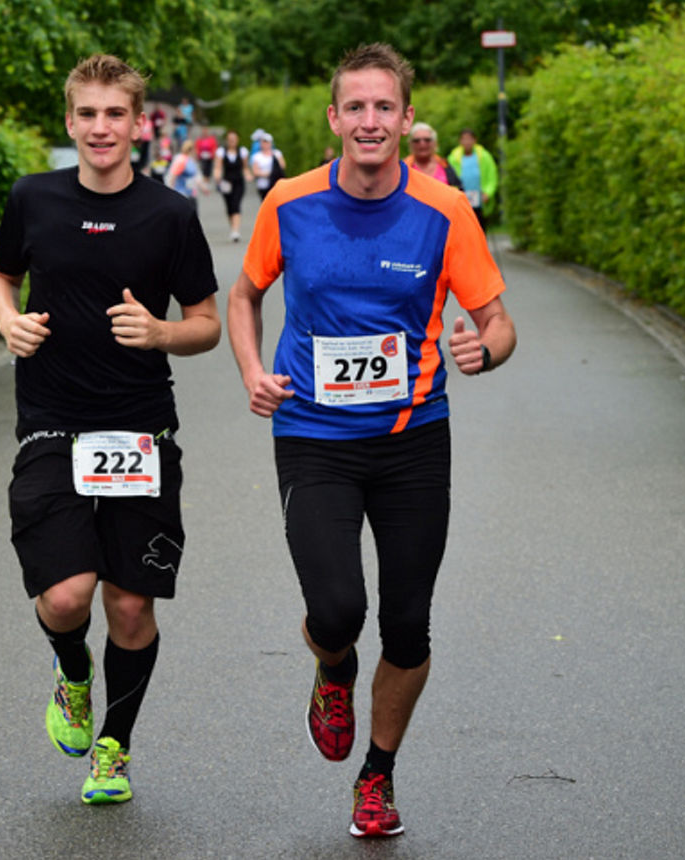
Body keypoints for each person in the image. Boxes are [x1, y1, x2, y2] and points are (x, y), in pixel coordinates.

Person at [226, 42, 516, 839]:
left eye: (384, 106)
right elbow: (245, 296)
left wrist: (483, 349)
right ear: (334, 118)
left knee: (410, 623)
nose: (370, 120)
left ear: (407, 119)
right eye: (355, 106)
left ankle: (377, 777)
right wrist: (253, 369)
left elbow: (499, 320)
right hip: (313, 434)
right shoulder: (288, 203)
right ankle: (332, 669)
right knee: (337, 607)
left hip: (413, 440)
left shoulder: (444, 211)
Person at [0, 53, 221, 807]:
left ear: (139, 122)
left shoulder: (171, 215)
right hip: (51, 422)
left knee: (128, 605)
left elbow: (208, 325)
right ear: (69, 122)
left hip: (140, 428)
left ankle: (113, 748)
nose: (100, 127)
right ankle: (72, 673)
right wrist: (8, 321)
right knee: (65, 598)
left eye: (115, 113)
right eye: (86, 114)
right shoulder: (34, 199)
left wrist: (160, 334)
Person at [446, 128, 497, 231]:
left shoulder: (484, 156)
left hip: (479, 200)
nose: (467, 142)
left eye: (469, 139)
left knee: (479, 228)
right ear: (460, 141)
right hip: (461, 199)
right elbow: (449, 178)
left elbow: (492, 175)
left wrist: (488, 192)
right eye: (464, 139)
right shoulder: (453, 158)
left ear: (475, 140)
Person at [213, 129, 251, 242]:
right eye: (230, 139)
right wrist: (217, 176)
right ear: (227, 140)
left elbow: (245, 167)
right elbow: (218, 167)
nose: (232, 141)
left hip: (239, 182)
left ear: (237, 140)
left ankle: (235, 230)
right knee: (229, 207)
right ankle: (233, 227)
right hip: (226, 183)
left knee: (236, 204)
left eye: (234, 139)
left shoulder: (242, 152)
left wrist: (248, 175)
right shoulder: (221, 152)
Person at [403, 122, 460, 190]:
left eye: (427, 140)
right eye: (417, 140)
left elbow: (459, 191)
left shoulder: (445, 165)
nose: (422, 143)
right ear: (410, 144)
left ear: (435, 143)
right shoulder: (401, 169)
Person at [168, 139, 205, 207]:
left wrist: (203, 188)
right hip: (182, 193)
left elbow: (195, 177)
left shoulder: (190, 160)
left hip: (191, 193)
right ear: (191, 149)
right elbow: (174, 176)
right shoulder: (182, 160)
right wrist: (171, 191)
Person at [249, 132, 285, 201]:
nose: (265, 144)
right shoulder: (257, 156)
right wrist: (270, 173)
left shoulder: (277, 153)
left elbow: (282, 166)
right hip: (263, 185)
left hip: (275, 184)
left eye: (267, 142)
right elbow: (256, 171)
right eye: (263, 142)